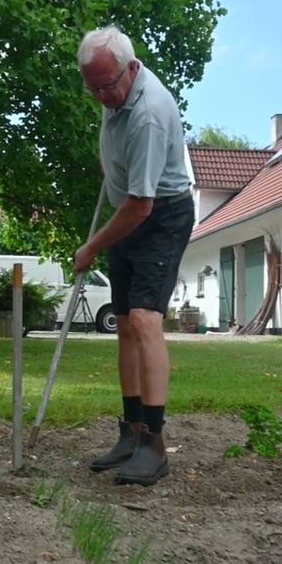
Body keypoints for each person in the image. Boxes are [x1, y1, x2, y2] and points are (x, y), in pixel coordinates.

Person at [72, 25, 193, 487]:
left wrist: (91, 247)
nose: (103, 95)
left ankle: (154, 443)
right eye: (94, 88)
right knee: (122, 322)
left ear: (132, 68)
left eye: (109, 85)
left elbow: (143, 205)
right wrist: (112, 165)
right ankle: (130, 431)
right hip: (129, 209)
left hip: (160, 216)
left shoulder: (147, 114)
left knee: (143, 318)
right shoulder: (114, 94)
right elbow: (122, 177)